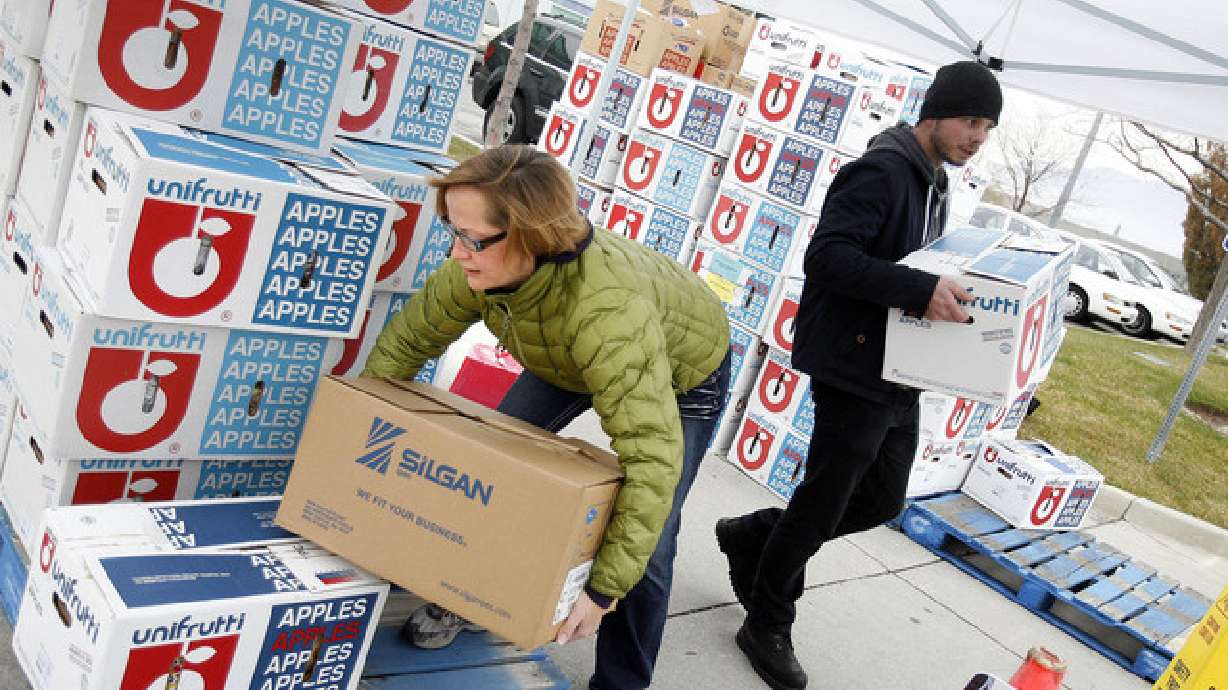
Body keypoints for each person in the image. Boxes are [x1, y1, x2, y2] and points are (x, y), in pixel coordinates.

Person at [362, 145, 732, 690]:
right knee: (493, 472)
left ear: (532, 237)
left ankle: (621, 682)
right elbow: (403, 346)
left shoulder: (606, 312)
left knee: (651, 542)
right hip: (562, 352)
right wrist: (360, 448)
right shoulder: (482, 268)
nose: (456, 251)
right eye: (452, 229)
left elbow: (651, 462)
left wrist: (603, 588)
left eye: (472, 238)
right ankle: (467, 594)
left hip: (683, 373)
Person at [714, 61, 1004, 690]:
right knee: (823, 501)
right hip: (853, 360)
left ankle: (755, 535)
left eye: (987, 126)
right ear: (935, 112)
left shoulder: (936, 182)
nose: (979, 136)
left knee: (881, 499)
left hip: (898, 369)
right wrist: (920, 289)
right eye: (970, 120)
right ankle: (767, 619)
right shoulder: (882, 169)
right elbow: (829, 259)